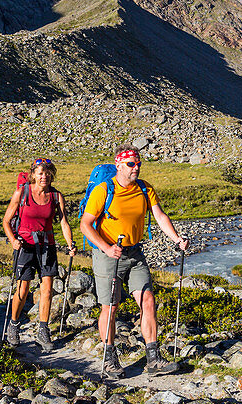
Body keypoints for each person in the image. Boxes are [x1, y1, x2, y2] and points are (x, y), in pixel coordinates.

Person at [79, 145, 189, 379]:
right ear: (118, 165)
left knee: (148, 299)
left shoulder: (144, 188)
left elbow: (159, 215)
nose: (136, 167)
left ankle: (153, 358)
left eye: (138, 163)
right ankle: (110, 359)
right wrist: (106, 247)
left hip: (135, 253)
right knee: (110, 306)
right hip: (108, 254)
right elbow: (85, 224)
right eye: (131, 164)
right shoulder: (103, 190)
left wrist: (177, 238)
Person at [1, 157, 76, 350]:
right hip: (25, 245)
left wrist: (70, 243)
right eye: (41, 173)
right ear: (33, 174)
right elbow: (6, 221)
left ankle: (43, 331)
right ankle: (14, 325)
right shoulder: (22, 192)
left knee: (48, 290)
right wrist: (13, 240)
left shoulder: (56, 196)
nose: (45, 176)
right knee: (23, 289)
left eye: (48, 173)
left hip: (47, 245)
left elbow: (63, 222)